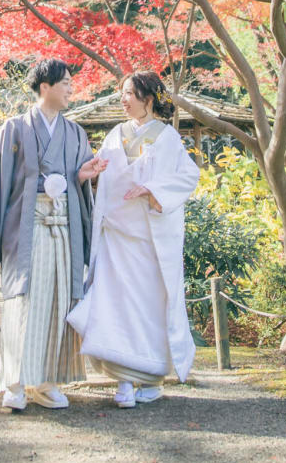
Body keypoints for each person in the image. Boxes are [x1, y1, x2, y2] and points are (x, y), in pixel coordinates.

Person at [0, 57, 107, 411]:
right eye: (66, 83)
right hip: (26, 230)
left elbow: (77, 177)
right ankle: (14, 383)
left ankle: (47, 382)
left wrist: (82, 176)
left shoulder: (75, 133)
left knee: (60, 300)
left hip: (64, 228)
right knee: (25, 301)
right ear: (45, 86)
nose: (72, 88)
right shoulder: (14, 129)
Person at [67, 71, 200, 408]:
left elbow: (188, 176)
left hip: (149, 240)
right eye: (122, 93)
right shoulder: (115, 133)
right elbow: (107, 179)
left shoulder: (167, 137)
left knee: (148, 310)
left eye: (129, 93)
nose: (123, 99)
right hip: (116, 236)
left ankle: (151, 378)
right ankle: (124, 380)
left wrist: (154, 189)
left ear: (148, 99)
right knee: (115, 307)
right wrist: (94, 173)